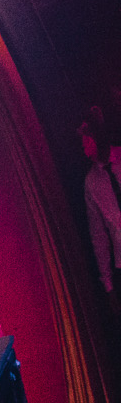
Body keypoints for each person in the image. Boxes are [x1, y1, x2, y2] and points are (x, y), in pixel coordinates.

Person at [82, 114, 121, 302]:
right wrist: (108, 284)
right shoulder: (92, 183)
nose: (85, 145)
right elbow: (98, 236)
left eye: (87, 137)